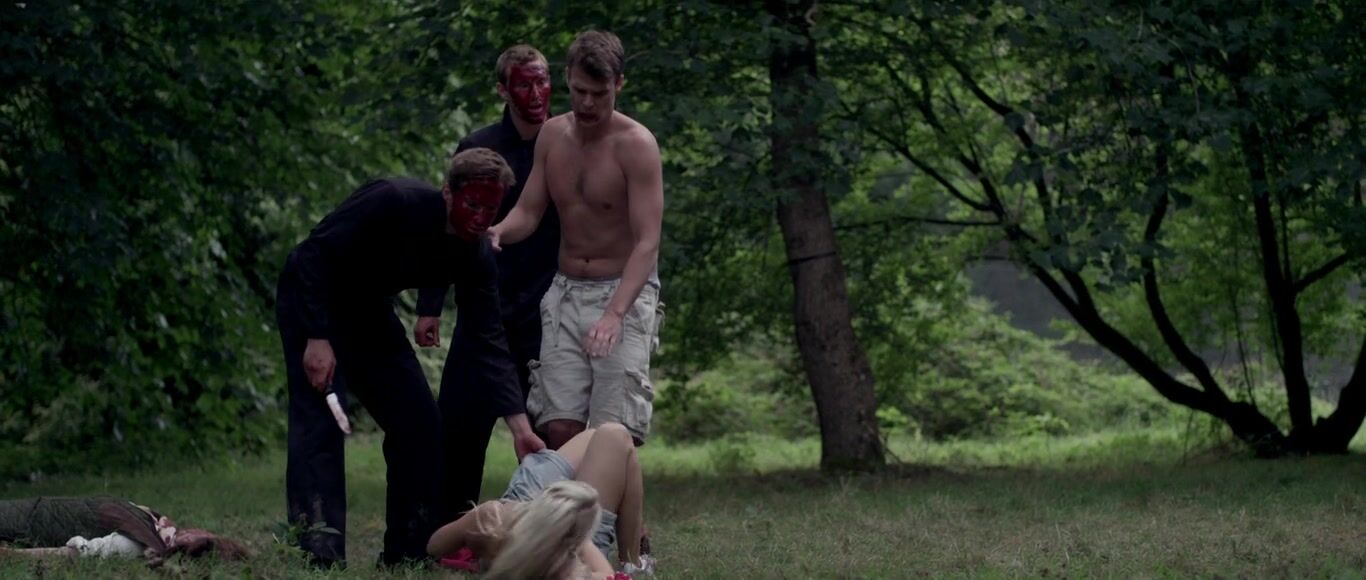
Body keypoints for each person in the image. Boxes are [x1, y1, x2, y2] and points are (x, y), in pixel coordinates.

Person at [275, 148, 543, 568]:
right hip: (313, 300)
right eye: (473, 204)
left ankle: (408, 554)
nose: (480, 218)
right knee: (321, 420)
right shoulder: (393, 200)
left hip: (367, 310)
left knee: (420, 424)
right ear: (449, 193)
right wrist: (317, 337)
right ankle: (317, 555)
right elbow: (313, 255)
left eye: (491, 209)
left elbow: (489, 341)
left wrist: (520, 427)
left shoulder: (475, 256)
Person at [487, 30, 666, 450]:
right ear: (566, 77)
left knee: (612, 437)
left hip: (622, 291)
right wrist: (497, 232)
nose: (587, 103)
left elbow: (647, 242)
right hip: (565, 291)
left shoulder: (636, 145)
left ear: (618, 84)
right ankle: (569, 497)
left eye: (599, 94)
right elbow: (529, 211)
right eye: (579, 91)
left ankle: (615, 498)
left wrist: (615, 314)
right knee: (559, 428)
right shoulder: (552, 135)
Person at [414, 44, 562, 520]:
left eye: (543, 81)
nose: (535, 93)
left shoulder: (568, 142)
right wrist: (430, 304)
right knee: (458, 426)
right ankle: (448, 531)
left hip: (548, 311)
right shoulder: (478, 147)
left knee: (551, 430)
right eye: (524, 83)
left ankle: (554, 530)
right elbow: (449, 226)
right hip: (483, 306)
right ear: (503, 89)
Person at [426, 423, 654, 578]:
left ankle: (633, 535)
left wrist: (476, 519)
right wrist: (580, 544)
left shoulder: (494, 518)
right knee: (615, 435)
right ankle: (633, 561)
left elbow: (434, 547)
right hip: (559, 521)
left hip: (526, 502)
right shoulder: (572, 555)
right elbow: (607, 576)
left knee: (596, 434)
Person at [0, 496, 248, 564]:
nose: (194, 531)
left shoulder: (142, 545)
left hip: (33, 519)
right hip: (43, 507)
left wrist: (13, 555)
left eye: (200, 538)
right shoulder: (155, 524)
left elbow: (79, 553)